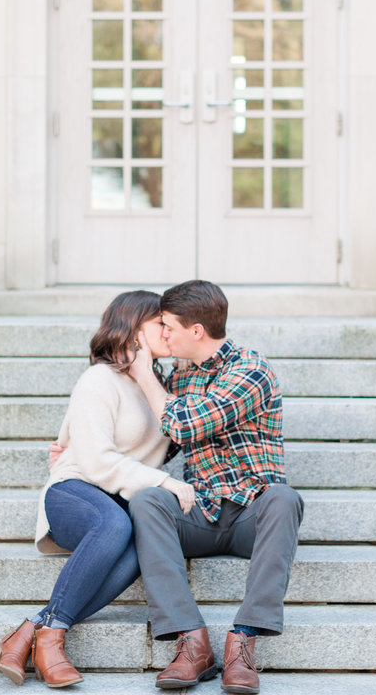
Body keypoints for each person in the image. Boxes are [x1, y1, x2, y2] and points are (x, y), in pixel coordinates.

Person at [0, 290, 195, 688]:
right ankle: (51, 639)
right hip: (75, 492)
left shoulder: (160, 386)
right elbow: (97, 460)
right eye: (161, 326)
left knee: (143, 542)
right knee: (116, 525)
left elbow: (177, 434)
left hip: (117, 500)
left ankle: (36, 629)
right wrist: (164, 481)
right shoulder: (98, 380)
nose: (169, 334)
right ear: (135, 330)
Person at [127, 280, 304, 695]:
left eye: (167, 326)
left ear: (196, 331)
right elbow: (159, 446)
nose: (163, 334)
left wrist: (144, 376)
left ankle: (242, 640)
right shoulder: (180, 376)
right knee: (148, 500)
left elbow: (184, 424)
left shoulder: (249, 370)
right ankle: (192, 643)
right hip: (201, 513)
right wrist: (81, 453)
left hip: (251, 517)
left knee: (284, 499)